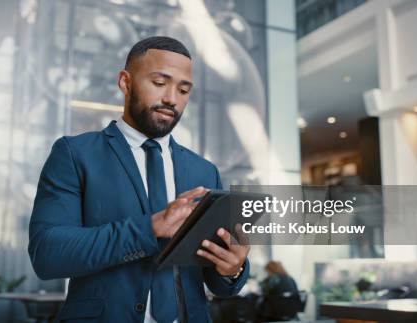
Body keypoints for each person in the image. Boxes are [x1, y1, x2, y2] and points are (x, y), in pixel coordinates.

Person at [28, 36, 250, 323]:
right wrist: (150, 227)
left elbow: (214, 278)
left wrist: (232, 268)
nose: (172, 98)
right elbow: (48, 254)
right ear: (125, 82)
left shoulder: (204, 171)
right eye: (159, 83)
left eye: (183, 90)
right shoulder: (75, 153)